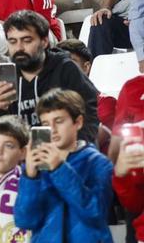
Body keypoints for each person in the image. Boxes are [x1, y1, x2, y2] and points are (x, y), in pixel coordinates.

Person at [15, 89, 113, 242]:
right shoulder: (37, 165)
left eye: (59, 121)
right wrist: (30, 178)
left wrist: (59, 168)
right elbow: (24, 221)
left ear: (78, 122)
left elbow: (96, 212)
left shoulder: (98, 163)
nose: (52, 129)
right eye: (46, 123)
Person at [0, 10, 100, 143]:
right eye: (12, 41)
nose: (19, 48)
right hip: (27, 155)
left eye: (27, 40)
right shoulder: (8, 76)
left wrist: (74, 150)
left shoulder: (65, 68)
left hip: (64, 151)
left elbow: (91, 113)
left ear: (44, 42)